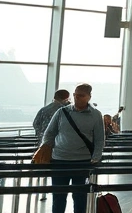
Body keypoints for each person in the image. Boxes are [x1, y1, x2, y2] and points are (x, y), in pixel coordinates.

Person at [40, 83, 104, 213]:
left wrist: (96, 157)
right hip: (59, 160)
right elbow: (50, 132)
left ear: (89, 97)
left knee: (80, 197)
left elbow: (99, 139)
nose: (77, 98)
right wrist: (46, 148)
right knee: (58, 197)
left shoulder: (96, 115)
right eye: (75, 95)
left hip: (82, 162)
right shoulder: (62, 112)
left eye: (81, 96)